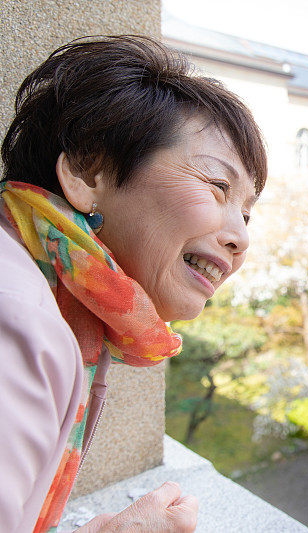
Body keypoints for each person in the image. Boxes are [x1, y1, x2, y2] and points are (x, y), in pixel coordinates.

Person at [0, 35, 267, 532]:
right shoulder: (19, 322)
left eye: (247, 214)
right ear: (87, 171)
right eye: (217, 185)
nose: (241, 239)